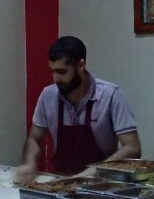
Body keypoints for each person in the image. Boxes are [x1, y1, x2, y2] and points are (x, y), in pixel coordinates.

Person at [15, 36, 141, 184]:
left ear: (81, 65)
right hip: (62, 181)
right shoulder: (48, 95)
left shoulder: (111, 95)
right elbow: (34, 139)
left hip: (101, 184)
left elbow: (133, 148)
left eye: (62, 72)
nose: (55, 79)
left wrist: (93, 171)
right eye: (52, 71)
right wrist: (30, 163)